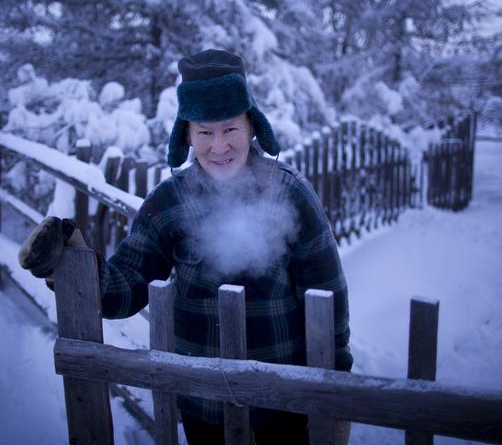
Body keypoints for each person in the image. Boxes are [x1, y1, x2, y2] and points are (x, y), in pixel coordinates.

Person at [19, 49, 352, 444]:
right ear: (187, 135)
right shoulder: (169, 202)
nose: (219, 146)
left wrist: (336, 385)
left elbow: (327, 292)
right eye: (204, 133)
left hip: (280, 400)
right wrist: (69, 262)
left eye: (230, 129)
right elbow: (125, 289)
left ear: (251, 126)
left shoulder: (290, 192)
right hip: (201, 400)